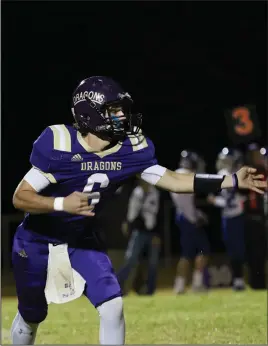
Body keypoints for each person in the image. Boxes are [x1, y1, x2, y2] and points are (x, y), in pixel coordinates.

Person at [11, 76, 267, 345]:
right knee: (32, 315)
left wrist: (231, 180)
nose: (122, 115)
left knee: (113, 306)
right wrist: (61, 204)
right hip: (36, 239)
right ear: (90, 113)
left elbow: (173, 180)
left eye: (122, 108)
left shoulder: (130, 150)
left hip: (79, 240)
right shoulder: (59, 144)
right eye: (113, 109)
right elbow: (21, 197)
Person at [171, 151, 210, 293]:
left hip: (182, 216)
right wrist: (195, 218)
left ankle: (179, 285)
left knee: (186, 254)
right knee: (203, 250)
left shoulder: (175, 174)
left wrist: (197, 214)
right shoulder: (187, 176)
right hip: (188, 219)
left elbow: (185, 202)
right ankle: (197, 283)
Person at [207, 147, 246, 290]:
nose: (224, 164)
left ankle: (239, 280)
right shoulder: (228, 174)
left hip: (235, 216)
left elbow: (230, 201)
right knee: (233, 249)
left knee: (237, 249)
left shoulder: (231, 175)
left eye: (227, 161)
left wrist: (215, 201)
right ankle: (237, 279)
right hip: (230, 216)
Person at [117, 180, 161, 295]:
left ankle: (150, 290)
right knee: (130, 259)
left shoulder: (155, 192)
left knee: (153, 262)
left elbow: (158, 214)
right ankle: (117, 287)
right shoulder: (137, 193)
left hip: (152, 232)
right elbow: (132, 212)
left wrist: (158, 234)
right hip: (139, 231)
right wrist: (128, 224)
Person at [244, 143, 267, 289]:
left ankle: (261, 283)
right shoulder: (246, 172)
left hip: (262, 217)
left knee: (262, 252)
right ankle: (254, 283)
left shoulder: (263, 171)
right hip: (251, 218)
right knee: (253, 253)